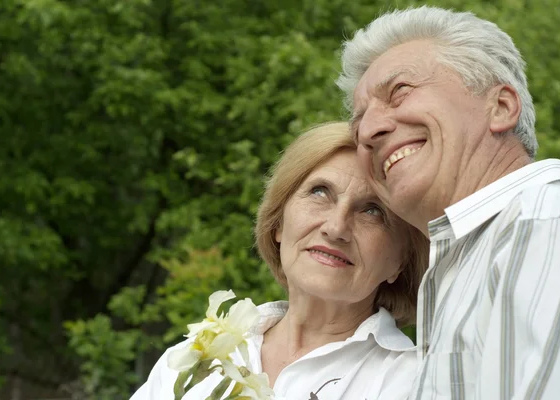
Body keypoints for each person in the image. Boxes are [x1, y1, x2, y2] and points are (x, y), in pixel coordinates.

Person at [337, 5, 560, 399]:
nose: (369, 130)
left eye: (400, 91)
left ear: (501, 108)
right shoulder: (470, 261)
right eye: (358, 124)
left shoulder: (545, 229)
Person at [130, 122, 428, 400]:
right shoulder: (196, 355)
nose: (336, 228)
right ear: (278, 225)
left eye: (373, 211)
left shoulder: (416, 382)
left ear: (401, 260)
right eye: (320, 192)